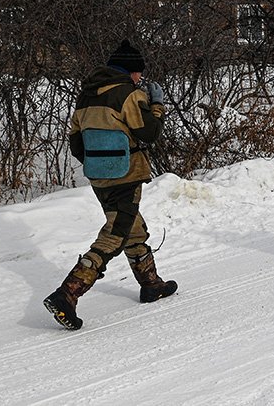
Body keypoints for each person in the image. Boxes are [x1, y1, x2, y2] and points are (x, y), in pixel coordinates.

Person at [43, 39, 178, 330]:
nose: (141, 78)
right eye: (139, 73)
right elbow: (150, 133)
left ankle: (151, 284)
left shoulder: (85, 96)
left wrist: (100, 162)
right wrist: (157, 106)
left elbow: (76, 143)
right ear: (130, 71)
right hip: (125, 174)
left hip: (98, 175)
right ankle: (68, 293)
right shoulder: (129, 94)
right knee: (115, 235)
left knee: (131, 226)